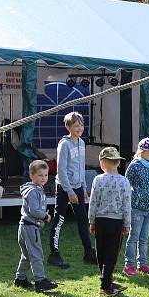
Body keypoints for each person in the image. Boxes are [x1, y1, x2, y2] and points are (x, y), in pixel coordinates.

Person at [48, 111, 96, 269]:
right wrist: (69, 191)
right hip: (64, 187)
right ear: (68, 127)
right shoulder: (65, 144)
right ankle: (53, 253)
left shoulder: (81, 143)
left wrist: (83, 187)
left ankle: (89, 252)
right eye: (76, 126)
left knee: (83, 219)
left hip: (77, 187)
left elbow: (81, 167)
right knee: (59, 219)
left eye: (81, 125)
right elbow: (61, 170)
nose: (79, 128)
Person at [88, 147, 131, 296]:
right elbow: (127, 205)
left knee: (101, 252)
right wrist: (127, 224)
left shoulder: (97, 180)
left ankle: (108, 280)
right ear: (118, 163)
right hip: (116, 222)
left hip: (100, 221)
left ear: (103, 163)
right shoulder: (124, 181)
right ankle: (105, 287)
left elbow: (93, 202)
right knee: (111, 255)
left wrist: (91, 221)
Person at [14, 160, 59, 293]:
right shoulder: (33, 191)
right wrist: (45, 216)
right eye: (40, 175)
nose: (44, 178)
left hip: (25, 226)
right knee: (36, 254)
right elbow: (34, 210)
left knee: (27, 255)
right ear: (31, 176)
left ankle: (20, 279)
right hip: (29, 227)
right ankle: (40, 281)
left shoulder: (37, 189)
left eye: (45, 175)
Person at [122, 138, 149, 277]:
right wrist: (128, 202)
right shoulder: (135, 165)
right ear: (141, 151)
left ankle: (142, 264)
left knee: (144, 237)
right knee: (134, 236)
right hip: (136, 208)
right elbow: (126, 184)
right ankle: (129, 265)